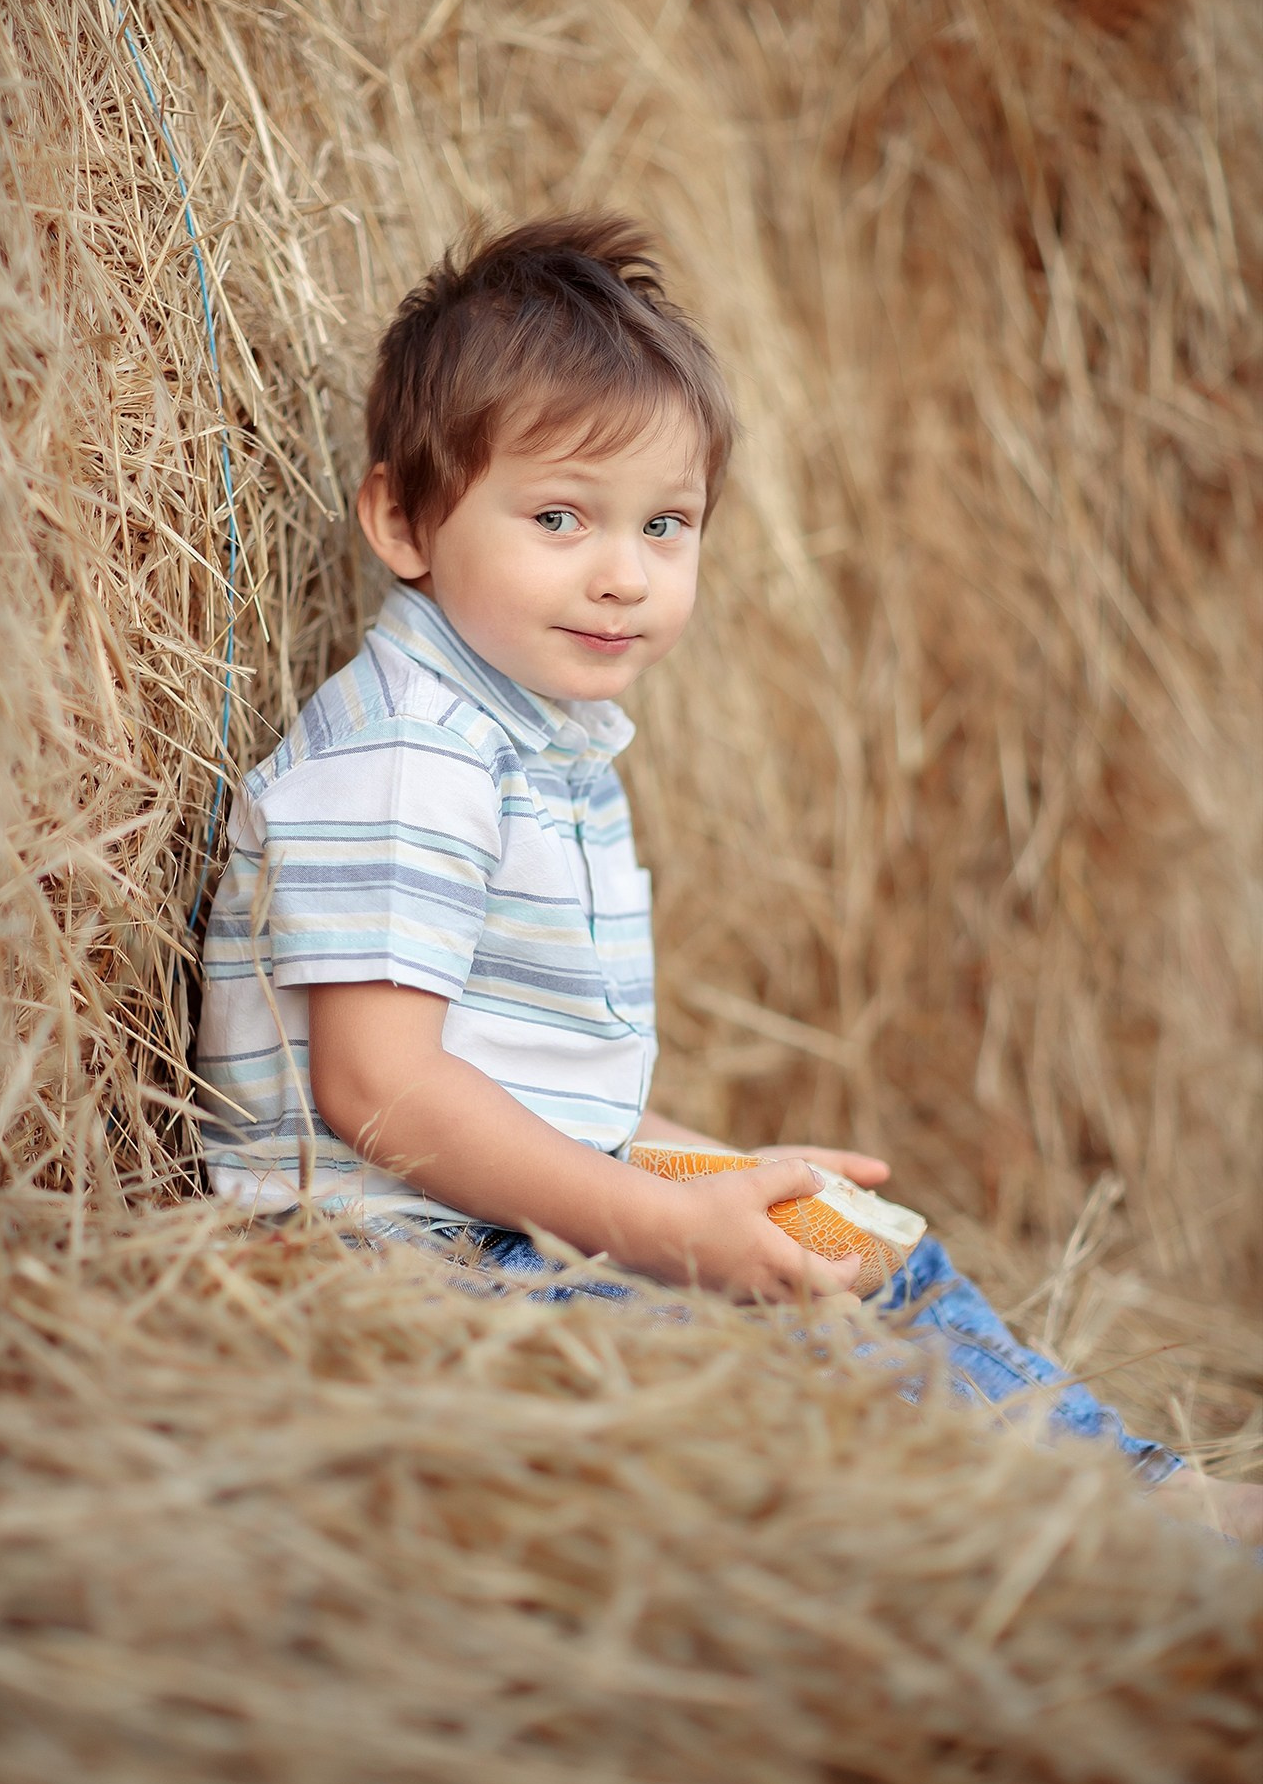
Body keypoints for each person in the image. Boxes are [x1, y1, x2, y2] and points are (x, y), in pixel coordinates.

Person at [196, 214, 1259, 1540]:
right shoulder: (414, 761)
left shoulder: (534, 749)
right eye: (560, 516)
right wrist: (660, 1225)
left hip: (485, 1218)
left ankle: (1151, 1497)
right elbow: (378, 1088)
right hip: (391, 1260)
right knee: (788, 1357)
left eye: (667, 524)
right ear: (402, 520)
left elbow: (520, 1082)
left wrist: (709, 1177)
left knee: (870, 1258)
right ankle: (1075, 1533)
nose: (623, 573)